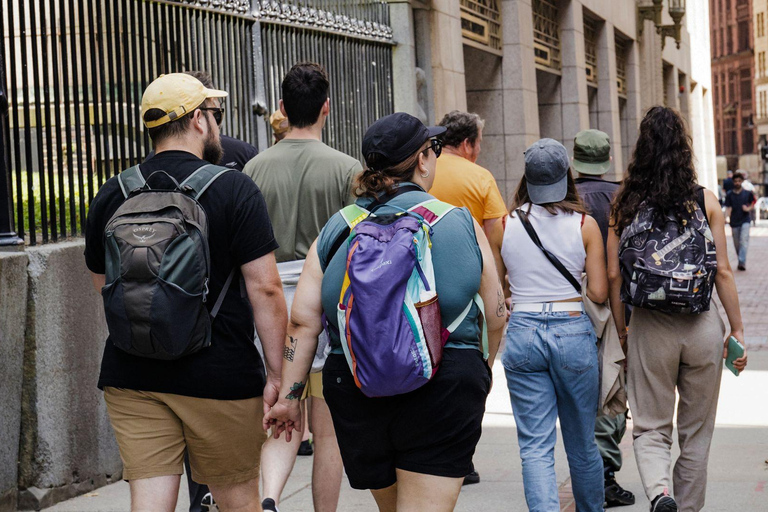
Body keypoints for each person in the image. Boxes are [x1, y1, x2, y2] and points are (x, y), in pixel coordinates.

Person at [265, 112, 507, 512]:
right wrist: (482, 369)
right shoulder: (457, 221)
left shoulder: (337, 229)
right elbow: (495, 316)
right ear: (423, 161)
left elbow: (303, 323)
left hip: (358, 386)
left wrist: (291, 397)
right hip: (445, 385)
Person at [84, 73, 287, 512]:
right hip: (220, 375)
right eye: (214, 115)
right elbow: (266, 288)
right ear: (198, 120)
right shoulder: (234, 187)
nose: (216, 124)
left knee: (151, 501)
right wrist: (277, 375)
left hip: (132, 375)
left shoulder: (112, 192)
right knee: (238, 500)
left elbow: (106, 286)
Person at [608, 106, 748, 511]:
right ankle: (685, 508)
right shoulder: (706, 200)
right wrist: (736, 330)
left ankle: (659, 493)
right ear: (684, 149)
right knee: (696, 432)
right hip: (702, 322)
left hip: (651, 326)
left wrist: (622, 330)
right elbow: (722, 271)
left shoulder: (625, 201)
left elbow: (616, 277)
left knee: (651, 425)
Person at [244, 62, 362, 512]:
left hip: (269, 304)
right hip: (324, 308)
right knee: (327, 430)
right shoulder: (346, 169)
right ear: (326, 108)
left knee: (281, 413)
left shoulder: (254, 168)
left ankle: (270, 498)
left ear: (281, 107)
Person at [499, 138, 607, 511]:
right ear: (566, 177)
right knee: (582, 443)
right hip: (571, 329)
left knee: (534, 446)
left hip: (523, 330)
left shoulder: (504, 224)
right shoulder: (585, 224)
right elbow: (598, 291)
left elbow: (500, 289)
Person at [572, 129, 634, 508]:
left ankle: (592, 470)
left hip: (574, 307)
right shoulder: (622, 197)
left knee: (583, 394)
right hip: (616, 307)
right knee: (613, 390)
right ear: (608, 159)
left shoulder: (565, 198)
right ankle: (605, 474)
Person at [429, 110, 507, 289]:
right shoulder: (481, 177)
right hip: (468, 273)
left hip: (426, 269)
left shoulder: (424, 171)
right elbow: (497, 235)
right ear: (466, 144)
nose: (479, 149)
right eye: (479, 142)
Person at [725, 170, 756, 271]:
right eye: (735, 181)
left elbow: (753, 202)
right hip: (734, 222)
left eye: (739, 181)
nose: (737, 183)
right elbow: (728, 208)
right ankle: (740, 259)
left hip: (745, 220)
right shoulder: (729, 194)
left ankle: (741, 262)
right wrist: (726, 218)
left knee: (743, 240)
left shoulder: (747, 193)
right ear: (733, 182)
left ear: (742, 181)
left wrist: (748, 209)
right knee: (737, 243)